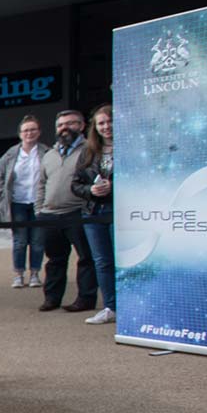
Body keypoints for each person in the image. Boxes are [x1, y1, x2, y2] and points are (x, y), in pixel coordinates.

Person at [35, 109, 97, 314]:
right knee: (54, 259)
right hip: (50, 215)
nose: (64, 128)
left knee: (85, 258)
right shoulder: (49, 154)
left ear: (81, 126)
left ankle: (85, 299)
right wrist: (39, 210)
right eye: (61, 125)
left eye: (70, 123)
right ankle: (52, 298)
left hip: (77, 212)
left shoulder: (89, 150)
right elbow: (41, 184)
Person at [0, 114, 49, 290]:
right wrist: (1, 195)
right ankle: (18, 274)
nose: (29, 133)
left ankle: (34, 274)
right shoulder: (10, 154)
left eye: (32, 129)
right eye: (25, 130)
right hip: (17, 202)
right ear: (20, 134)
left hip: (39, 202)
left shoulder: (47, 152)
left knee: (38, 241)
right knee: (20, 240)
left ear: (39, 132)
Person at [72, 103, 116, 325]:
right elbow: (76, 184)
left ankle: (128, 305)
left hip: (119, 211)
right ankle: (110, 307)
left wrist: (113, 187)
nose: (106, 126)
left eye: (110, 121)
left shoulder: (130, 146)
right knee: (102, 261)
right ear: (95, 127)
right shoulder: (88, 152)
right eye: (101, 123)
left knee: (121, 260)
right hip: (93, 212)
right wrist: (90, 190)